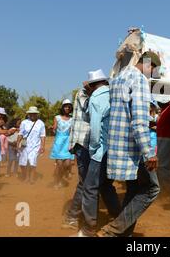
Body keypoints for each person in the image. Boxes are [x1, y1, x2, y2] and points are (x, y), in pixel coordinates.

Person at [99, 51, 161, 237]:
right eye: (154, 70)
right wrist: (149, 152)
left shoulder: (118, 79)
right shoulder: (140, 80)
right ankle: (113, 231)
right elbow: (138, 121)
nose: (152, 75)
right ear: (149, 65)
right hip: (134, 149)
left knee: (133, 190)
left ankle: (123, 233)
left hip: (118, 146)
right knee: (152, 188)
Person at [74, 69, 121, 237]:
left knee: (89, 187)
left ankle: (89, 228)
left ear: (93, 85)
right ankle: (117, 217)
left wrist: (94, 149)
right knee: (106, 185)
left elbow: (95, 128)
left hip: (100, 151)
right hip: (115, 149)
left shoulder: (96, 98)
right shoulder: (114, 95)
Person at [62, 83, 92, 230]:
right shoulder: (83, 94)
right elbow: (91, 109)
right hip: (83, 143)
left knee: (95, 182)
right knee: (85, 182)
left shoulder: (88, 93)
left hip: (86, 144)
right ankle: (72, 216)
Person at [155, 96, 170, 198]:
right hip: (162, 140)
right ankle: (165, 190)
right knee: (162, 167)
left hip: (167, 140)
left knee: (162, 167)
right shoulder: (164, 110)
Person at [17, 106, 46, 184]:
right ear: (28, 114)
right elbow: (20, 134)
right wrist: (17, 144)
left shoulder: (41, 123)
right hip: (25, 145)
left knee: (32, 161)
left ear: (37, 114)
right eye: (31, 114)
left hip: (36, 146)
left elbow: (42, 136)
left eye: (34, 114)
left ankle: (31, 178)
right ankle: (25, 176)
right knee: (24, 162)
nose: (32, 115)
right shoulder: (24, 122)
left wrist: (42, 146)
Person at [50, 99, 74, 189]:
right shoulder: (57, 117)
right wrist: (52, 129)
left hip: (68, 142)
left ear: (70, 108)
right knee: (59, 165)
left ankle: (61, 177)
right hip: (59, 142)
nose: (67, 108)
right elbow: (54, 128)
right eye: (65, 106)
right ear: (62, 107)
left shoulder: (72, 119)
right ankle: (58, 181)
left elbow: (73, 130)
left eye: (68, 106)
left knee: (67, 164)